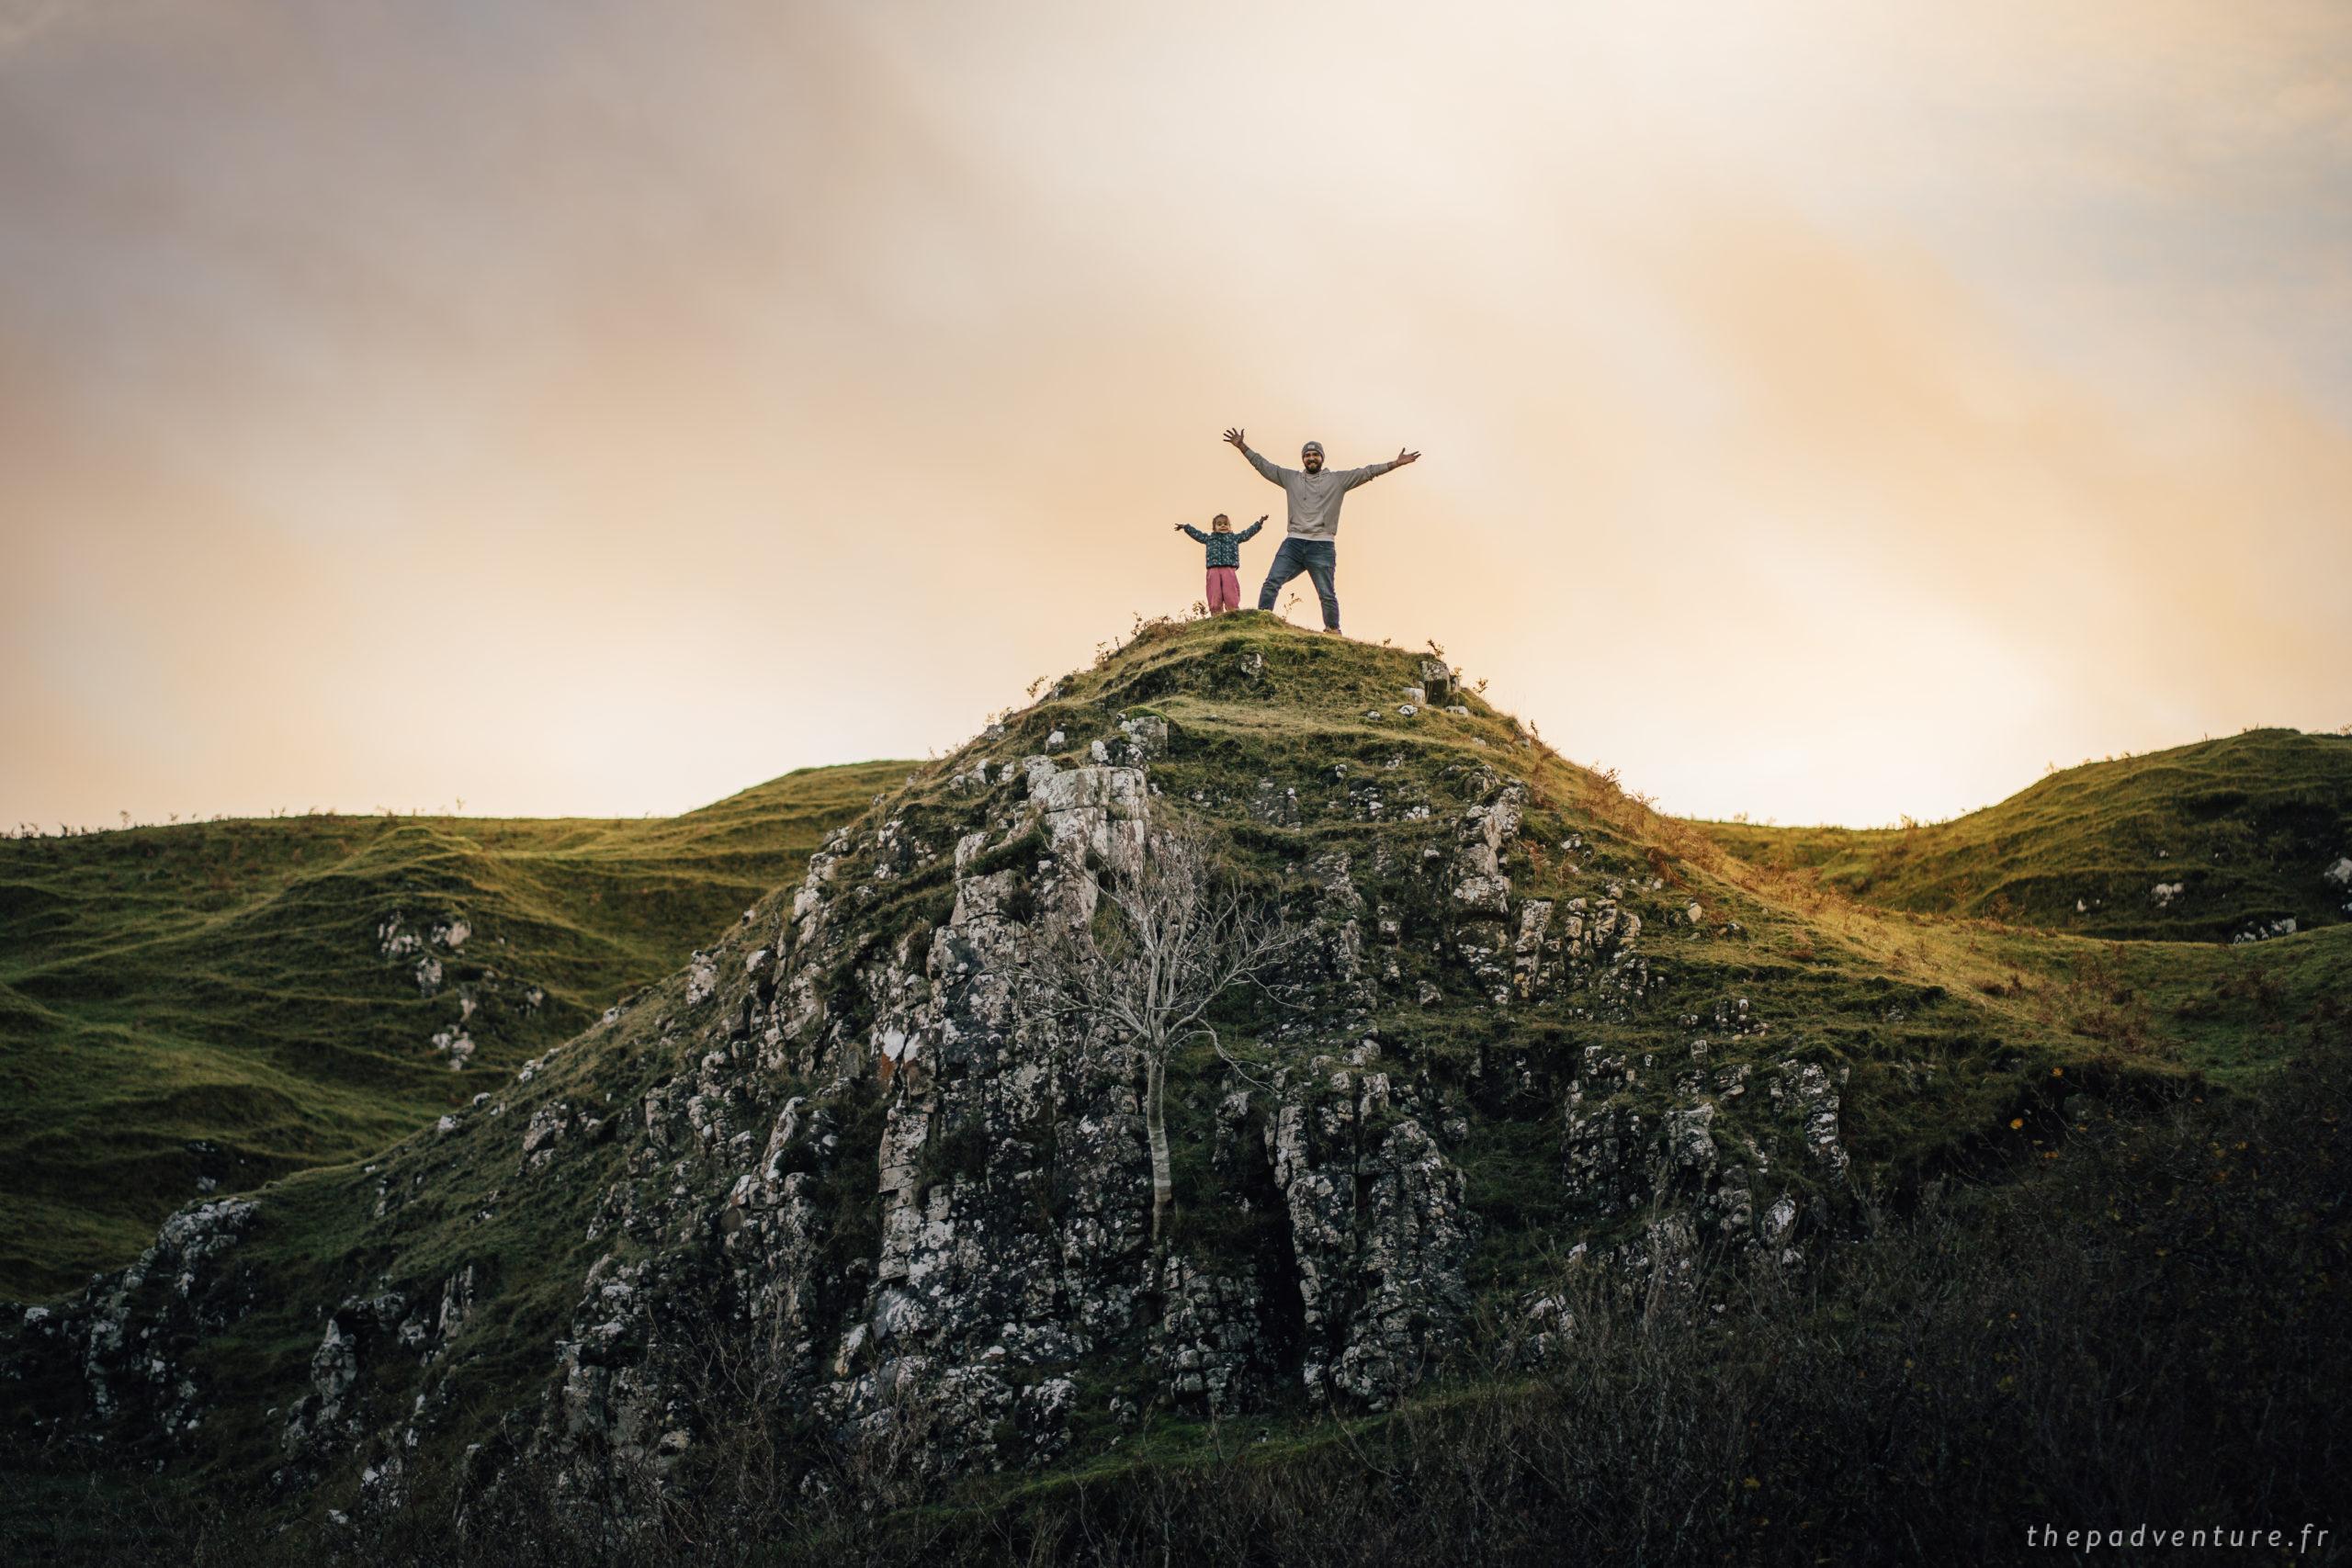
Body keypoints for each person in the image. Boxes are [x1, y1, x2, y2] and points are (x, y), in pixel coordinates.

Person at [1223, 428, 1419, 634]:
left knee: (1326, 592)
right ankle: (1261, 625)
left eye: (1315, 454)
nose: (1311, 458)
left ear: (1322, 458)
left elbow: (1367, 472)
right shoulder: (1291, 479)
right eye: (1307, 455)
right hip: (1294, 542)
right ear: (1303, 459)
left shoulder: (1337, 480)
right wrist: (1242, 447)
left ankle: (1333, 630)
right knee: (1272, 582)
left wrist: (1395, 464)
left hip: (1322, 545)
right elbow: (1264, 466)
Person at [1172, 512, 1266, 615]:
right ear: (1214, 528)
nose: (1223, 526)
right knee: (1214, 592)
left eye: (1226, 524)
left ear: (1230, 526)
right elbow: (1197, 534)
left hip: (1229, 568)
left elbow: (1247, 534)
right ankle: (1216, 614)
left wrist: (1259, 523)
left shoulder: (1234, 538)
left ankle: (1233, 612)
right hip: (1213, 569)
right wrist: (1185, 527)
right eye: (1219, 524)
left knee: (1230, 591)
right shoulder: (1209, 539)